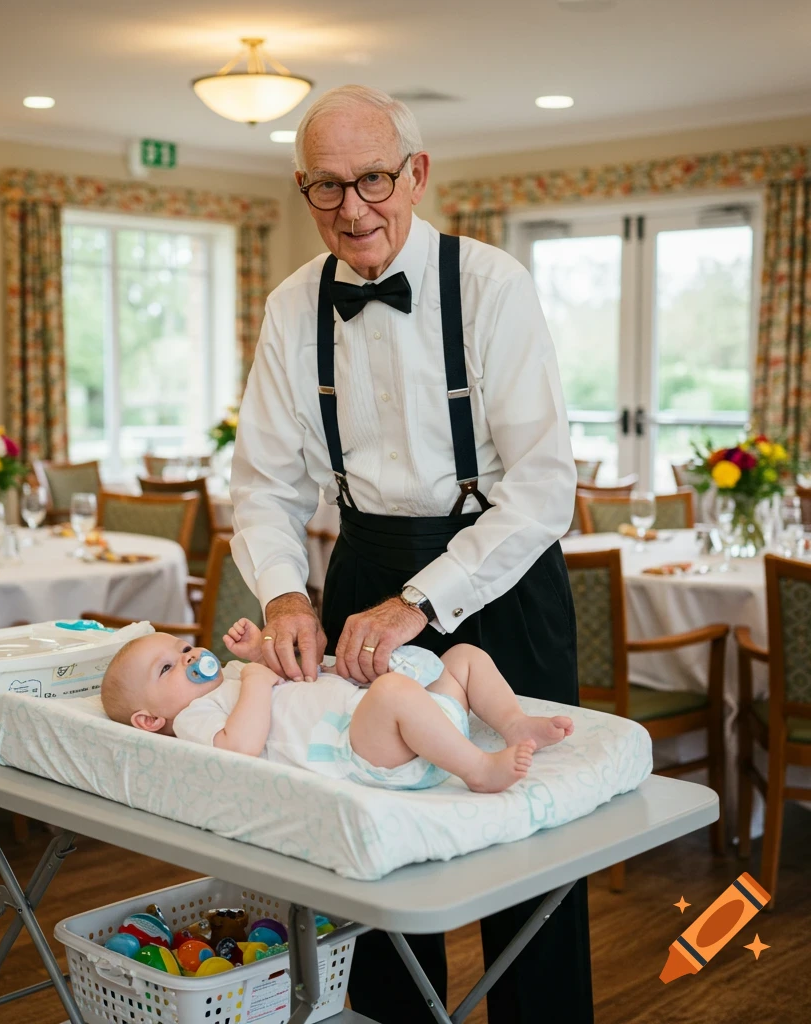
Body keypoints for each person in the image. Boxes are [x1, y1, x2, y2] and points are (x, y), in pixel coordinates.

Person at [228, 84, 591, 1024]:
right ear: (302, 189)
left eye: (374, 180)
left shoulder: (493, 286)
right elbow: (264, 488)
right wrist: (283, 599)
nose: (353, 209)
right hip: (357, 573)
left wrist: (423, 602)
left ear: (417, 173)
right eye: (326, 187)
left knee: (529, 843)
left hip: (497, 576)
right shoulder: (288, 306)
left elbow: (544, 489)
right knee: (376, 828)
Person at [100, 624, 573, 792]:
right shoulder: (192, 720)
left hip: (408, 722)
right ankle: (477, 768)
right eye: (166, 669)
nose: (187, 659)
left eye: (183, 648)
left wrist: (256, 658)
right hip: (367, 749)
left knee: (465, 658)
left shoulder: (236, 676)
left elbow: (293, 676)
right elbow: (240, 745)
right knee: (392, 692)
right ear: (149, 720)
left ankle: (513, 723)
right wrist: (258, 682)